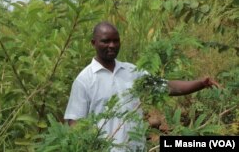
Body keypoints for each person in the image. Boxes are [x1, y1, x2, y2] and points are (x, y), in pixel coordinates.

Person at [64, 21, 220, 151]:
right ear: (94, 43)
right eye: (106, 41)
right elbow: (75, 123)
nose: (112, 45)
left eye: (116, 40)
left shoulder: (132, 71)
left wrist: (200, 83)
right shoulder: (84, 80)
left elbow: (167, 87)